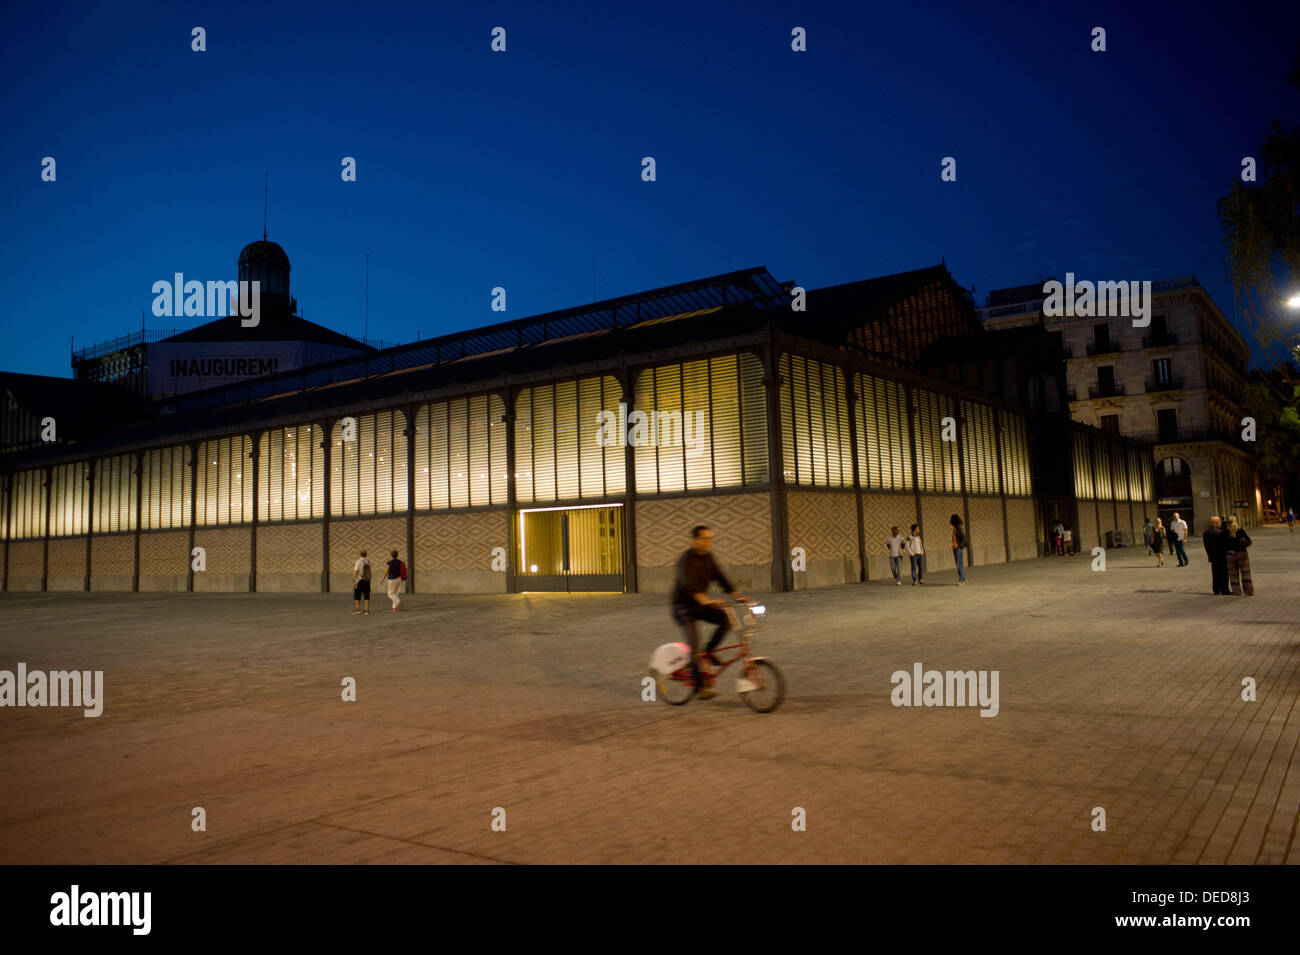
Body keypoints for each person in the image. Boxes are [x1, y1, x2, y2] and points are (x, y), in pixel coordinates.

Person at [671, 525, 748, 699]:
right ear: (695, 540)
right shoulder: (686, 561)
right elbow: (690, 587)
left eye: (710, 539)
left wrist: (737, 595)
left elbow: (721, 577)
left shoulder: (709, 557)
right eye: (705, 539)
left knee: (726, 619)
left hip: (700, 605)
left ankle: (708, 653)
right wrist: (709, 601)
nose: (708, 543)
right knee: (694, 645)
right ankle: (700, 688)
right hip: (683, 608)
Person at [1224, 516, 1254, 596]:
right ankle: (1248, 591)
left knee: (1233, 574)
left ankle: (1237, 591)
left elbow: (1223, 544)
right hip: (1242, 553)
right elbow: (1249, 541)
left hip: (1230, 555)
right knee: (1245, 573)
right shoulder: (1240, 531)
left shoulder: (1226, 532)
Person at [1202, 516, 1230, 595]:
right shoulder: (1220, 533)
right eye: (1220, 522)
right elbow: (1224, 545)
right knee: (1223, 573)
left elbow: (1206, 545)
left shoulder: (1206, 533)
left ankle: (1216, 589)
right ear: (1216, 522)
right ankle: (1224, 589)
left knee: (1215, 573)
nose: (1220, 523)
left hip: (1212, 556)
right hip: (1221, 556)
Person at [950, 514, 968, 585]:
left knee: (959, 564)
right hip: (955, 548)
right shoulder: (955, 528)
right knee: (959, 564)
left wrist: (959, 546)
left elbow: (964, 538)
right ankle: (963, 578)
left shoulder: (958, 527)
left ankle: (961, 580)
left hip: (958, 549)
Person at [352, 549, 372, 615]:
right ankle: (367, 610)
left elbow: (356, 570)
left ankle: (358, 609)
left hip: (359, 580)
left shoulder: (358, 561)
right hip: (367, 580)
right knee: (366, 595)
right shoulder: (368, 561)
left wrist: (354, 578)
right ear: (366, 554)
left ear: (360, 554)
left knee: (357, 594)